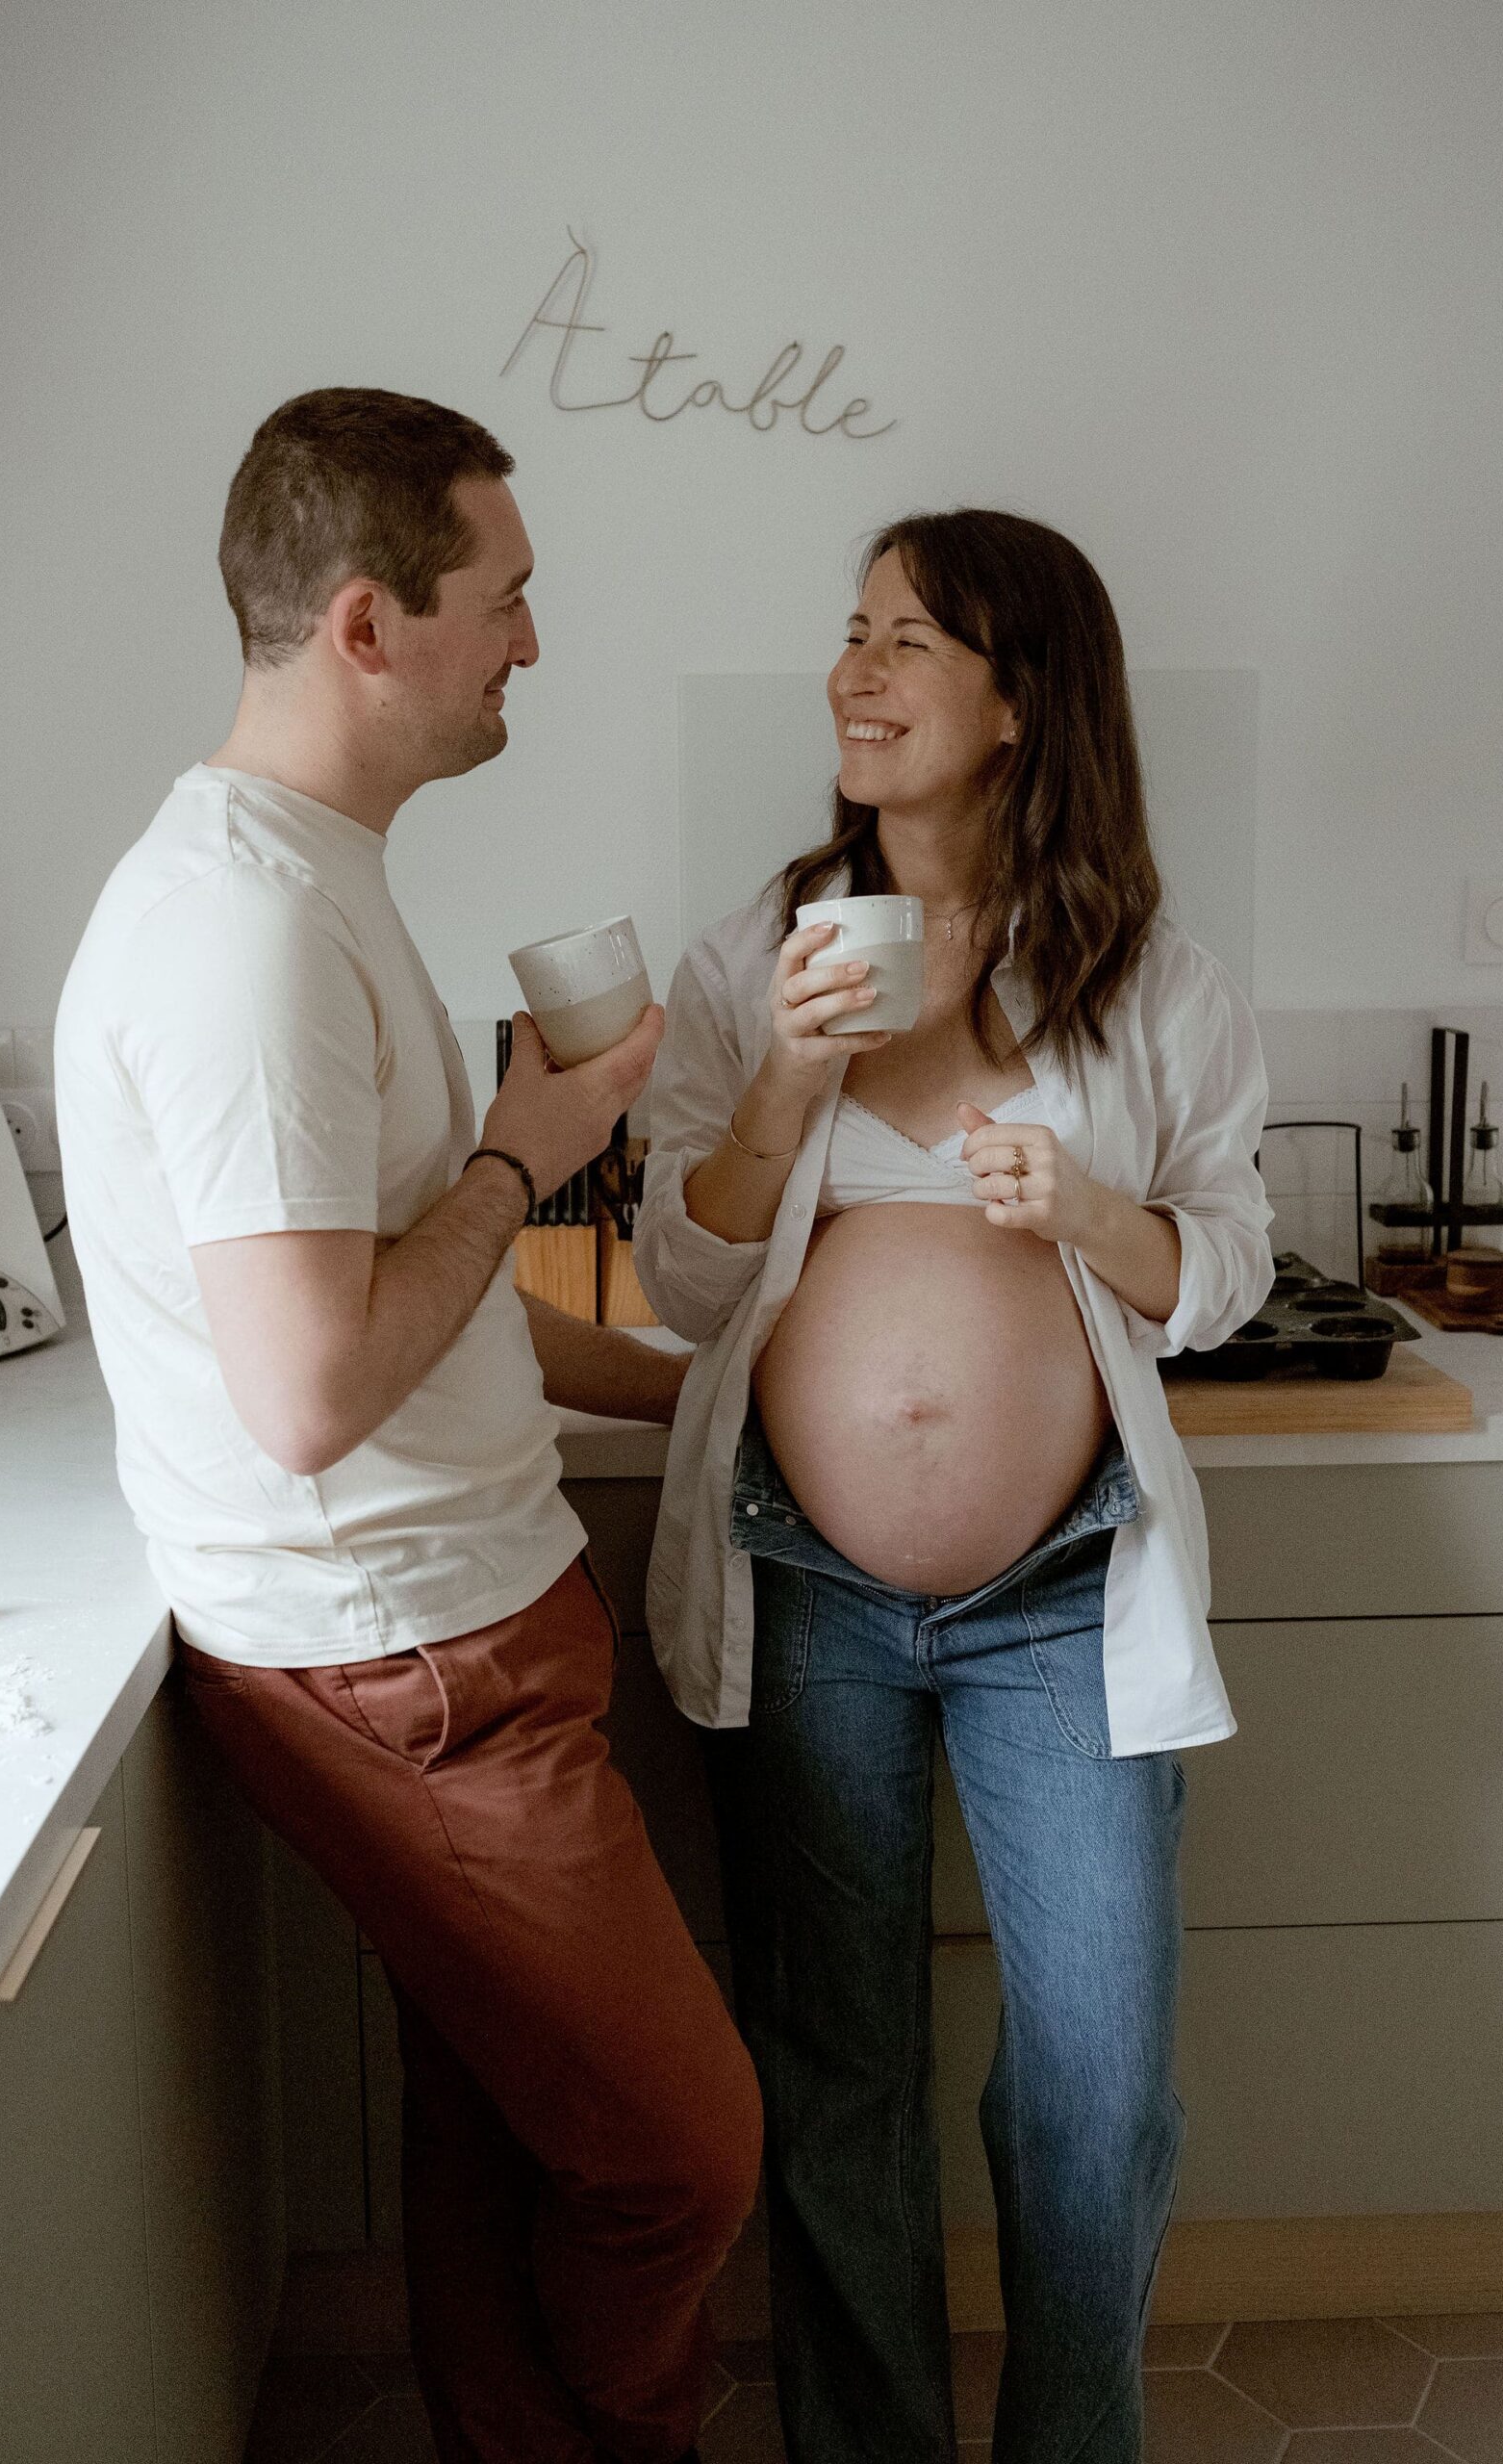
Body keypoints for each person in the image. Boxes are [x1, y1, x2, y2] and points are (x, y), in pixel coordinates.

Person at [54, 386, 760, 2464]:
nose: (533, 643)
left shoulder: (302, 873)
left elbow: (404, 1311)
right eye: (509, 599)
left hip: (445, 1626)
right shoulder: (247, 930)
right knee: (677, 2153)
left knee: (504, 2127)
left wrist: (702, 1380)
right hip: (407, 1655)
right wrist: (532, 1152)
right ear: (368, 623)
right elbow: (312, 1389)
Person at [633, 509, 1275, 2463]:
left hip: (1059, 1594)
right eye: (850, 631)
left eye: (904, 639)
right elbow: (681, 1271)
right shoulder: (755, 955)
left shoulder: (1143, 972)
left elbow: (1224, 1259)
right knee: (834, 2067)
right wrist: (781, 1086)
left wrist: (1091, 1208)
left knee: (1093, 2077)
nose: (853, 669)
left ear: (1019, 698)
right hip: (804, 1583)